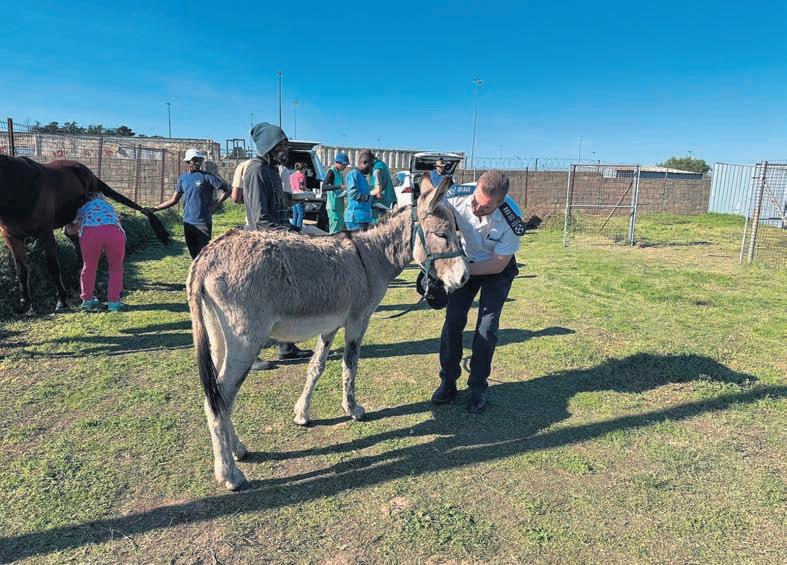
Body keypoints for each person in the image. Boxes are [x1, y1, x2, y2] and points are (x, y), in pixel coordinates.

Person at [431, 170, 525, 414]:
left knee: (486, 327)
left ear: (499, 203)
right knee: (453, 321)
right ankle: (448, 381)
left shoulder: (512, 219)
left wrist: (461, 271)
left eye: (485, 207)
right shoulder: (456, 196)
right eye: (475, 201)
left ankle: (478, 387)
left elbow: (498, 264)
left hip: (496, 270)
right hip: (466, 260)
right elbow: (431, 219)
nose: (475, 209)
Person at [244, 122, 312, 370]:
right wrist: (290, 234)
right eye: (281, 145)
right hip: (265, 247)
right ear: (268, 146)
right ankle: (249, 354)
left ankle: (286, 347)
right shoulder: (256, 171)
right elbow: (261, 219)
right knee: (261, 304)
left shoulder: (272, 170)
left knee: (287, 299)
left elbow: (276, 204)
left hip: (281, 243)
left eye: (285, 145)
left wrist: (293, 220)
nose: (286, 149)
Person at [149, 149, 230, 259]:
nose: (198, 162)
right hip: (188, 222)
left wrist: (215, 205)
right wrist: (155, 208)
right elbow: (174, 200)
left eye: (200, 160)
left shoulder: (207, 177)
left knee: (203, 255)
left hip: (203, 222)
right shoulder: (183, 178)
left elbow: (227, 190)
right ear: (188, 161)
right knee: (193, 254)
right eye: (194, 160)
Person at [65, 193, 127, 312]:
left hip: (90, 233)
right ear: (101, 196)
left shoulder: (81, 208)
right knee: (116, 268)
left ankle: (87, 301)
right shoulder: (108, 206)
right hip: (114, 232)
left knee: (89, 267)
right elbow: (118, 219)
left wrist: (68, 226)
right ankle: (114, 302)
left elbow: (72, 231)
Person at [344, 150, 374, 231]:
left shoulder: (362, 177)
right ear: (364, 163)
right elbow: (353, 194)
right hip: (356, 219)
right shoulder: (353, 174)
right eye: (371, 166)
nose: (371, 169)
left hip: (364, 218)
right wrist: (368, 198)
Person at [323, 152, 349, 233]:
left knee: (340, 231)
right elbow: (324, 187)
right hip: (333, 207)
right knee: (334, 231)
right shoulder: (331, 171)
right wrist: (340, 186)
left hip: (339, 207)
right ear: (337, 162)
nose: (345, 167)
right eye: (343, 165)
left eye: (346, 165)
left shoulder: (340, 174)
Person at [369, 151, 397, 220]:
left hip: (380, 202)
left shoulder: (376, 170)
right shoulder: (382, 164)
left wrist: (366, 194)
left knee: (378, 223)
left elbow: (378, 190)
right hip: (388, 198)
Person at [289, 162, 306, 228]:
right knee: (300, 213)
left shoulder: (291, 175)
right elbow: (301, 186)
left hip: (293, 195)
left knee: (295, 214)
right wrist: (307, 190)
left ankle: (293, 228)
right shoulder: (301, 175)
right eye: (305, 169)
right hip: (299, 196)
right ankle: (299, 228)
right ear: (303, 169)